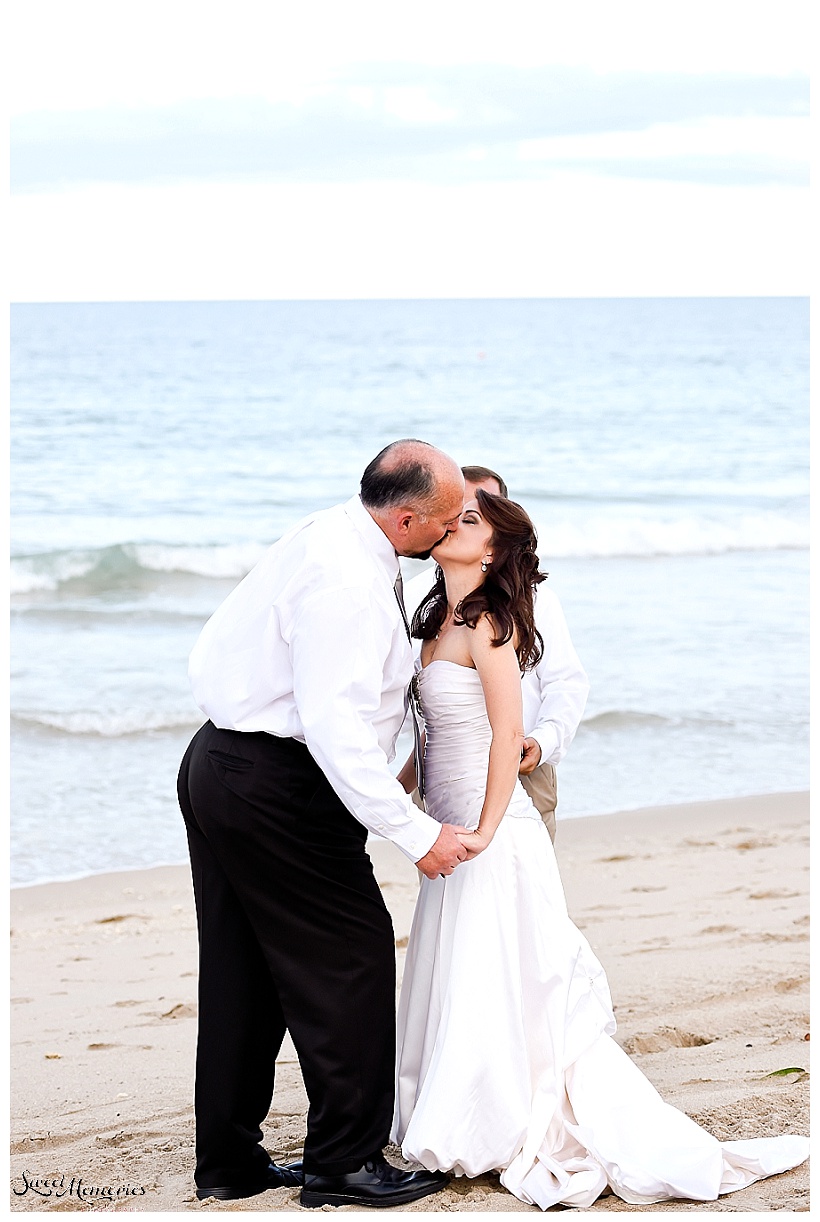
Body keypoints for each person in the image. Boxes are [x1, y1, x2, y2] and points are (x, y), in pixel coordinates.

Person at [391, 488, 809, 1209]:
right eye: (451, 515)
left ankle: (493, 1120)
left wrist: (488, 830)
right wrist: (401, 803)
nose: (451, 525)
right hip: (448, 829)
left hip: (491, 832)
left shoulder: (489, 621)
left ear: (492, 551)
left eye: (468, 521)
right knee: (465, 972)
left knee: (503, 975)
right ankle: (458, 1105)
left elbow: (502, 738)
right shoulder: (435, 618)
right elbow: (432, 736)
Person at [177, 439, 470, 1209]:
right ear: (405, 517)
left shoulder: (337, 534)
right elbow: (336, 726)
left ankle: (230, 1164)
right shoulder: (345, 579)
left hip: (225, 765)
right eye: (443, 523)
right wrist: (413, 832)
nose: (449, 533)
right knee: (352, 959)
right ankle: (343, 1165)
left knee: (244, 969)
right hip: (280, 784)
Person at [403, 464, 589, 841]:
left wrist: (544, 741)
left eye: (477, 514)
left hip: (522, 763)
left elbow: (566, 682)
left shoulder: (532, 601)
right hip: (439, 776)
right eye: (457, 511)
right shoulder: (420, 599)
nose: (457, 523)